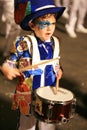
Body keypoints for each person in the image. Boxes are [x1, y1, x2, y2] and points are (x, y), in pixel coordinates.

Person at [1, 0, 65, 130]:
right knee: (27, 126)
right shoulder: (24, 42)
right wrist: (7, 67)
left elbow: (55, 61)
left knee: (48, 125)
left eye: (53, 23)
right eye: (44, 24)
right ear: (32, 25)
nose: (50, 28)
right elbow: (11, 60)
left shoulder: (55, 42)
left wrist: (59, 70)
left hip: (48, 95)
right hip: (29, 96)